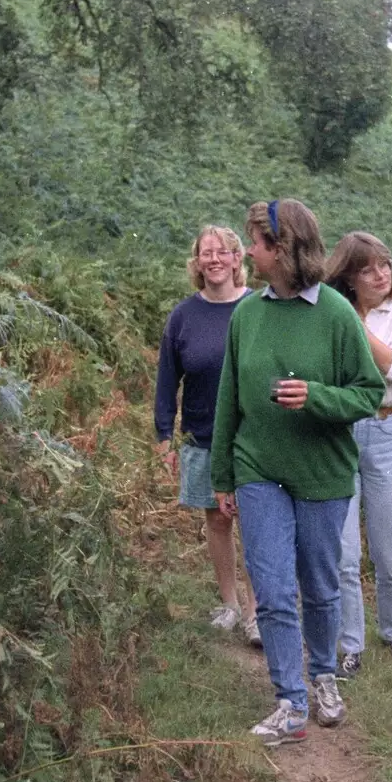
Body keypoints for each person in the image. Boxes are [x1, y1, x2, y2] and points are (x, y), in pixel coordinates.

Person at [211, 199, 385, 746]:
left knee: (319, 582)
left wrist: (317, 397)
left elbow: (369, 393)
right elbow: (228, 401)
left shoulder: (335, 313)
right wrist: (222, 476)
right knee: (272, 585)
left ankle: (324, 676)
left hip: (322, 474)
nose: (248, 252)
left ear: (282, 250)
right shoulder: (247, 314)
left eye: (256, 244)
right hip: (258, 469)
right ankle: (290, 701)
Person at [328, 232, 392, 678]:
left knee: (391, 548)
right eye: (367, 268)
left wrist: (350, 321)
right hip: (339, 432)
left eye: (385, 264)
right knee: (344, 551)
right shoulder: (329, 315)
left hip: (389, 428)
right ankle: (350, 644)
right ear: (349, 276)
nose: (381, 274)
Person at [155, 226, 257, 640]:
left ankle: (257, 612)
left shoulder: (258, 308)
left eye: (222, 252)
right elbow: (167, 380)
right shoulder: (183, 316)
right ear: (196, 263)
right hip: (201, 435)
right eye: (205, 253)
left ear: (237, 259)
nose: (213, 259)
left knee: (254, 521)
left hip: (253, 436)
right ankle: (230, 603)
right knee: (216, 521)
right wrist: (165, 436)